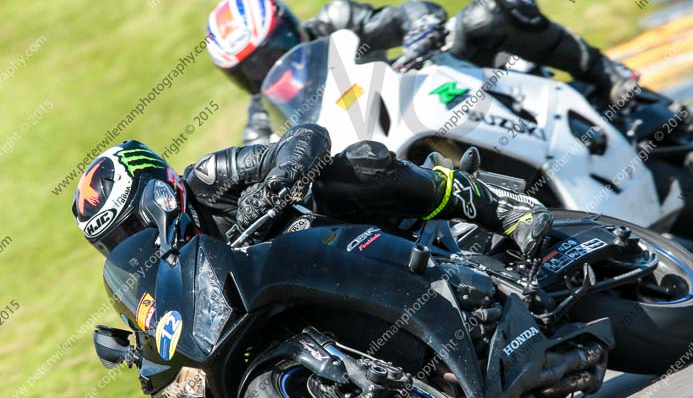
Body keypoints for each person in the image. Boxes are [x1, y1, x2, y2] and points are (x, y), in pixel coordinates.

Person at [206, 0, 640, 146]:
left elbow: (394, 19)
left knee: (491, 14)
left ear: (288, 28)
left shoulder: (337, 21)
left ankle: (603, 73)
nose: (266, 70)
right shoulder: (263, 118)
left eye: (268, 52)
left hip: (434, 87)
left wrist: (419, 27)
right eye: (249, 70)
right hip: (386, 155)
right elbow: (258, 163)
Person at [72, 124, 552, 258]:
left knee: (357, 162)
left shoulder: (207, 178)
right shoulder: (170, 272)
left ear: (161, 193)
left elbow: (307, 136)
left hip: (347, 232)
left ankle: (499, 205)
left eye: (133, 224)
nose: (136, 241)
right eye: (116, 241)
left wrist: (279, 181)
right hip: (308, 286)